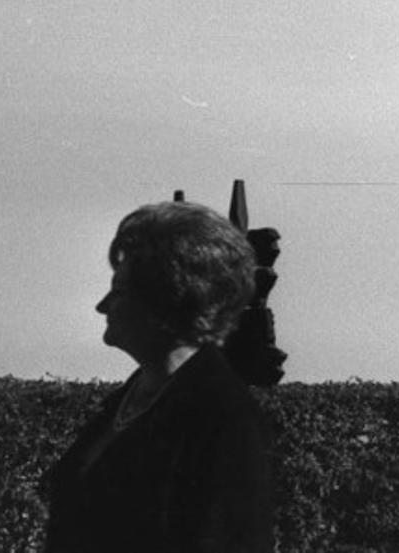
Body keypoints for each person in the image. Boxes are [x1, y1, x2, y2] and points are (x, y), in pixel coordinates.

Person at [47, 201, 274, 553]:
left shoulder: (223, 419)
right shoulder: (130, 400)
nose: (102, 306)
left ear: (168, 298)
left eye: (119, 291)